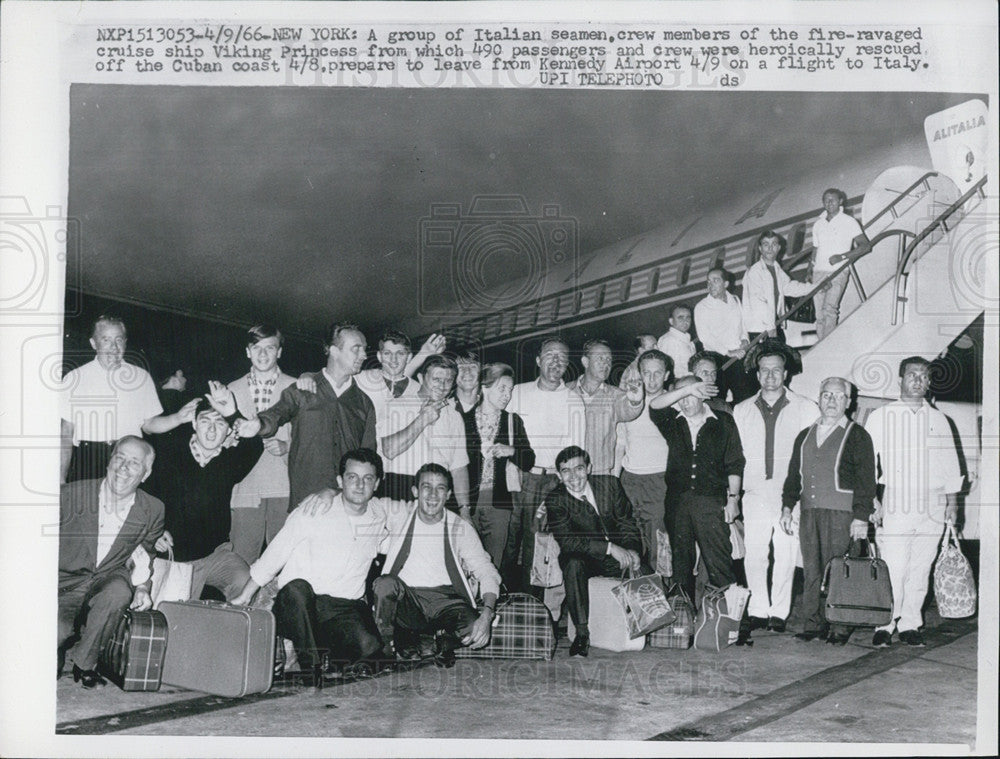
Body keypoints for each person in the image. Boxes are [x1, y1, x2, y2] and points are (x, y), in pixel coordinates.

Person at [231, 449, 394, 684]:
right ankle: (311, 669)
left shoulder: (379, 515)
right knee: (298, 589)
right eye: (352, 477)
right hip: (298, 604)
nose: (359, 485)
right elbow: (275, 553)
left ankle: (327, 654)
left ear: (377, 483)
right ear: (340, 481)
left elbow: (398, 543)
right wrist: (246, 595)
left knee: (370, 648)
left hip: (342, 609)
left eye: (367, 478)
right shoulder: (315, 509)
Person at [866, 357, 963, 647]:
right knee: (894, 565)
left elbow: (951, 465)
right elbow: (867, 463)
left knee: (921, 566)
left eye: (923, 375)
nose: (918, 380)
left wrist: (952, 503)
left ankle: (910, 623)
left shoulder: (939, 420)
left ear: (929, 382)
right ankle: (884, 623)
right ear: (900, 379)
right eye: (911, 374)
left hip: (933, 502)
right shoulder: (882, 416)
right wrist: (872, 499)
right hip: (897, 498)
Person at [648, 375, 750, 644]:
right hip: (678, 502)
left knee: (719, 563)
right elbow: (655, 405)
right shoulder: (673, 421)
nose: (686, 402)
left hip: (711, 501)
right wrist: (686, 390)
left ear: (704, 394)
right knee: (681, 565)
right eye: (681, 396)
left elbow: (735, 462)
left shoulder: (723, 421)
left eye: (693, 394)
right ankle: (685, 624)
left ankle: (735, 625)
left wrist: (733, 498)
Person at [58, 436, 164, 688]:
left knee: (118, 591)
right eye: (120, 458)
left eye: (134, 463)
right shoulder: (71, 495)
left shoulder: (153, 509)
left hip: (107, 577)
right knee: (54, 637)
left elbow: (144, 554)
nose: (124, 467)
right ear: (109, 462)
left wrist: (142, 588)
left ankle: (85, 663)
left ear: (146, 474)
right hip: (64, 580)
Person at [236, 322, 376, 510]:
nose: (364, 356)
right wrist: (259, 425)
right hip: (305, 503)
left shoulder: (364, 403)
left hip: (347, 506)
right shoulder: (302, 391)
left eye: (364, 349)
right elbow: (276, 414)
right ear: (334, 351)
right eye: (356, 349)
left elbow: (369, 457)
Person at [373, 463, 500, 667]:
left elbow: (485, 569)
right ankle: (387, 647)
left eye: (440, 488)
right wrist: (329, 492)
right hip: (409, 601)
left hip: (446, 601)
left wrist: (486, 614)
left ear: (448, 494)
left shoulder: (460, 527)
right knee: (384, 584)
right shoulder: (399, 515)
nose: (433, 494)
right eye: (426, 487)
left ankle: (436, 638)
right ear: (415, 491)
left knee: (472, 630)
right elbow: (359, 499)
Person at [143, 382, 262, 601]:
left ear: (228, 431)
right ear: (195, 424)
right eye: (205, 421)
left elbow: (254, 445)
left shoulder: (229, 462)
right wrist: (154, 531)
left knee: (246, 584)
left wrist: (232, 413)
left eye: (219, 424)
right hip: (170, 556)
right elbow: (144, 498)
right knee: (170, 615)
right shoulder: (169, 454)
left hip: (213, 556)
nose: (212, 429)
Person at [781, 377, 876, 645]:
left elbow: (866, 480)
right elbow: (793, 476)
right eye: (826, 395)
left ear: (848, 402)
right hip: (810, 511)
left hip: (842, 514)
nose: (831, 401)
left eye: (838, 396)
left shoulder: (857, 435)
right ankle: (812, 623)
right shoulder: (805, 434)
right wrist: (787, 507)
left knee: (841, 569)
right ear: (819, 399)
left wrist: (860, 517)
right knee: (812, 570)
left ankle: (840, 626)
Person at [732, 342, 819, 633]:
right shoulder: (741, 410)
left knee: (785, 552)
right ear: (757, 375)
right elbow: (734, 457)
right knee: (755, 552)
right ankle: (758, 609)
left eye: (776, 370)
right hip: (755, 493)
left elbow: (812, 454)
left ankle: (779, 613)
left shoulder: (806, 408)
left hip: (789, 495)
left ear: (786, 375)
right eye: (765, 371)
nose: (770, 376)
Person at [60, 315, 183, 483]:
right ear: (93, 343)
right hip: (88, 459)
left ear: (125, 342)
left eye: (119, 340)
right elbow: (66, 433)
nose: (114, 347)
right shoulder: (74, 378)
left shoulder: (141, 377)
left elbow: (149, 424)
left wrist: (179, 418)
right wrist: (60, 478)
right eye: (106, 340)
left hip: (129, 457)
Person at [546, 446, 643, 657]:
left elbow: (627, 523)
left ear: (589, 468)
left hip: (617, 555)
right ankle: (582, 634)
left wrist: (632, 551)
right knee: (572, 563)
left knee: (645, 569)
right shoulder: (555, 499)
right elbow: (569, 541)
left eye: (579, 468)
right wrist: (609, 548)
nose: (573, 477)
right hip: (586, 558)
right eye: (566, 471)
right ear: (558, 475)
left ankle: (645, 627)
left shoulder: (610, 485)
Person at [508, 337, 585, 592]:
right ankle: (500, 603)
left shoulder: (573, 400)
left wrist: (560, 492)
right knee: (507, 543)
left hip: (551, 480)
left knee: (538, 546)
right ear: (539, 360)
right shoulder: (517, 392)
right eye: (550, 355)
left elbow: (575, 452)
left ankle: (531, 608)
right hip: (518, 477)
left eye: (562, 357)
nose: (556, 361)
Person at [227, 324, 296, 564]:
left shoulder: (296, 387)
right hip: (245, 489)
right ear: (248, 352)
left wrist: (288, 446)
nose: (263, 354)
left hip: (284, 487)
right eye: (257, 348)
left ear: (279, 352)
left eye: (270, 348)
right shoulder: (230, 390)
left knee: (283, 563)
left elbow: (310, 439)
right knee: (239, 564)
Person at [462, 363, 535, 584]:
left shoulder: (512, 421)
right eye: (502, 388)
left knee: (495, 564)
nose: (507, 395)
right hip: (467, 501)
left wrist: (511, 451)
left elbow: (529, 460)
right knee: (466, 562)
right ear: (484, 388)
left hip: (499, 503)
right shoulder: (463, 420)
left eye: (510, 390)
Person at [380, 354, 471, 516]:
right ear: (421, 378)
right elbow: (389, 450)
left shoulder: (455, 416)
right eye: (436, 379)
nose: (442, 386)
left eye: (448, 381)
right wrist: (422, 420)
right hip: (399, 489)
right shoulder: (396, 406)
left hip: (438, 492)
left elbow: (459, 468)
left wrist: (464, 510)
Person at [617, 349, 672, 569]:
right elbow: (620, 443)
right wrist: (614, 480)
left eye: (657, 373)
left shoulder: (673, 402)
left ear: (666, 375)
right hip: (629, 480)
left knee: (659, 546)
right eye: (646, 373)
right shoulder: (628, 401)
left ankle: (660, 599)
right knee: (631, 542)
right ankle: (635, 599)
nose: (651, 379)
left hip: (659, 480)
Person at [351, 331, 446, 457]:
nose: (393, 360)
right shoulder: (360, 379)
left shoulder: (419, 390)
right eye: (387, 353)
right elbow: (331, 378)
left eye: (400, 354)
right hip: (361, 458)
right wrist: (314, 379)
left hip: (399, 462)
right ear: (379, 356)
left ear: (409, 357)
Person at [567, 339, 644, 475]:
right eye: (600, 358)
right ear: (585, 362)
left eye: (609, 359)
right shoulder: (565, 392)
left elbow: (628, 410)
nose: (606, 363)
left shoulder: (615, 395)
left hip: (600, 474)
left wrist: (635, 401)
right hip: (567, 474)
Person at [811, 188, 870, 340]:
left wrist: (842, 256)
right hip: (818, 272)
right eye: (826, 200)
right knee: (819, 314)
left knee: (830, 309)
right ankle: (820, 344)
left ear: (840, 201)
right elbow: (815, 248)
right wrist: (809, 268)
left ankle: (828, 344)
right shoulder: (818, 224)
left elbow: (865, 246)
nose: (829, 203)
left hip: (838, 271)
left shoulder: (849, 222)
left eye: (833, 199)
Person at [741, 231, 814, 343]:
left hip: (773, 324)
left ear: (779, 248)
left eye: (774, 244)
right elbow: (758, 302)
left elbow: (789, 287)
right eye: (766, 244)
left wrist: (814, 287)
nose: (770, 248)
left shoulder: (776, 269)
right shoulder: (755, 272)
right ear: (760, 248)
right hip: (760, 329)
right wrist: (771, 328)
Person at [694, 268, 754, 403]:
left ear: (726, 284)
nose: (711, 285)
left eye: (715, 281)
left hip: (738, 357)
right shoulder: (702, 307)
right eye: (708, 281)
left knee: (745, 397)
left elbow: (743, 324)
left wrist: (745, 339)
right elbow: (705, 337)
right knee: (717, 400)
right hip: (717, 359)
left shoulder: (735, 300)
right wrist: (728, 352)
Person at [656, 304, 697, 379]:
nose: (685, 321)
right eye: (680, 318)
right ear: (671, 321)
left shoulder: (686, 339)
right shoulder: (669, 340)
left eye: (688, 317)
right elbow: (668, 370)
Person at [453, 351, 483, 421]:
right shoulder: (443, 408)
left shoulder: (491, 404)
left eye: (473, 366)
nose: (467, 371)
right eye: (461, 367)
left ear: (480, 371)